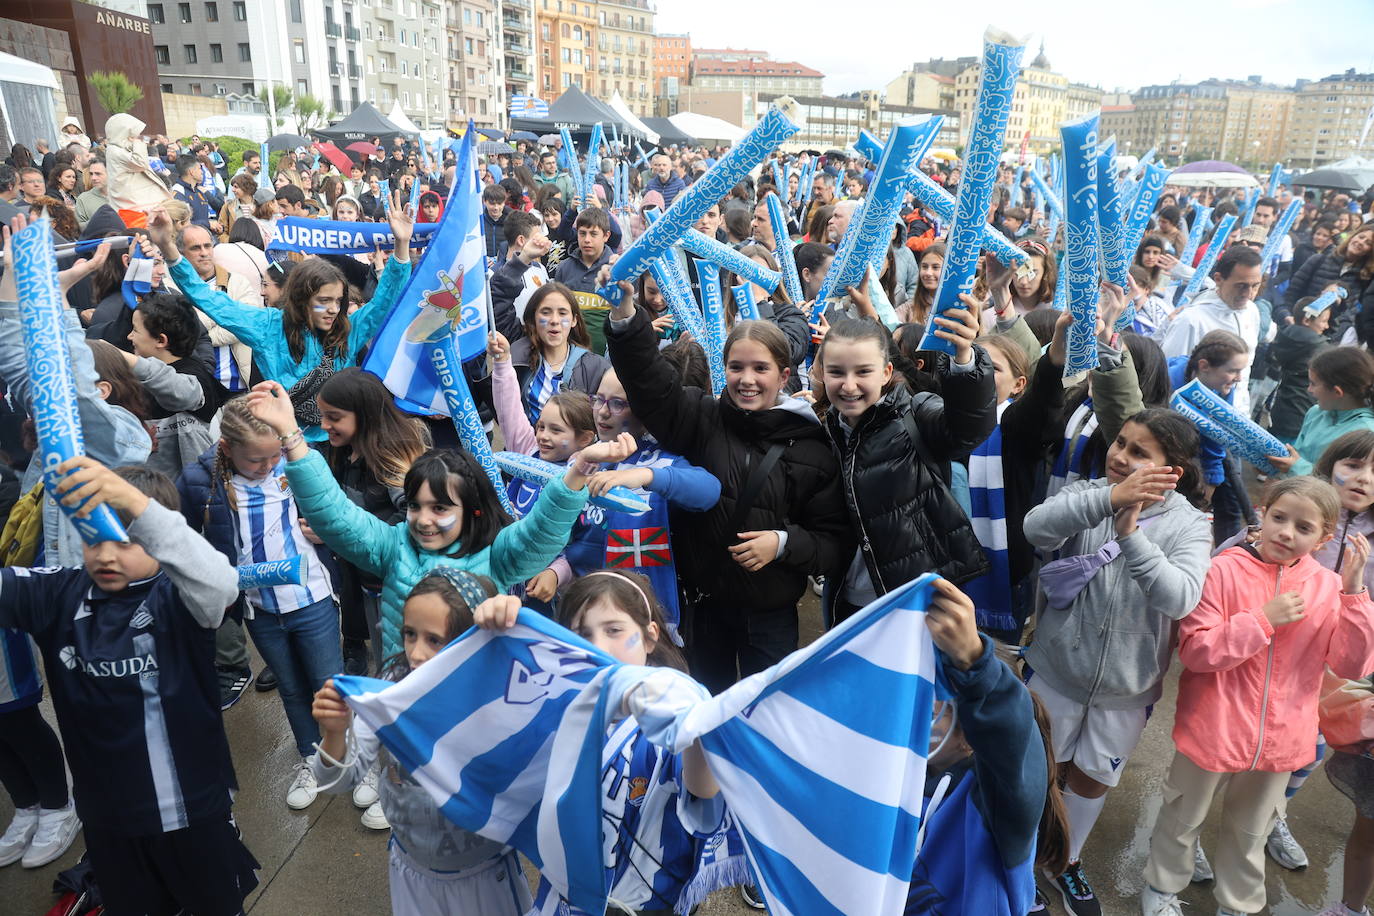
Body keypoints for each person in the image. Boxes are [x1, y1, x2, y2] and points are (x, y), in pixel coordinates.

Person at [0, 457, 254, 915]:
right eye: (94, 540)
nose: (108, 555)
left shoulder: (180, 597)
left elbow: (223, 584)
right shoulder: (59, 594)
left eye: (130, 541)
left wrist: (137, 504)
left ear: (159, 540)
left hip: (191, 813)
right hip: (107, 820)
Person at [245, 378, 633, 659]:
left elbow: (539, 533)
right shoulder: (392, 547)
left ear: (472, 510)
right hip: (408, 703)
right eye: (415, 506)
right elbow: (335, 515)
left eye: (441, 507)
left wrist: (580, 467)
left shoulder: (497, 556)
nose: (423, 519)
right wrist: (289, 434)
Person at [1141, 476, 1374, 916]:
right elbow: (1195, 651)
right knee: (1182, 815)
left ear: (1325, 537)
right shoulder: (1223, 569)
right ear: (1261, 513)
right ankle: (1161, 887)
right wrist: (1262, 620)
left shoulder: (1328, 587)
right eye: (1280, 517)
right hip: (1213, 726)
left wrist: (1355, 592)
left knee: (1252, 829)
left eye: (1304, 528)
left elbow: (1352, 665)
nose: (1287, 532)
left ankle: (1239, 903)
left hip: (1284, 737)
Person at [604, 286, 853, 694]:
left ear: (784, 375)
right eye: (737, 367)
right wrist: (626, 316)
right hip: (704, 610)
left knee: (764, 717)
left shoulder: (812, 447)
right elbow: (650, 384)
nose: (747, 379)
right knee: (703, 711)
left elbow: (833, 542)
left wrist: (783, 543)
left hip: (770, 617)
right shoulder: (701, 419)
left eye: (761, 368)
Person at [1023, 409, 1212, 916]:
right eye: (1120, 442)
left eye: (1138, 451)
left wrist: (1131, 536)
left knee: (1093, 778)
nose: (1120, 455)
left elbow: (1180, 598)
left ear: (1172, 470)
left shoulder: (1191, 526)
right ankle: (1023, 863)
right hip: (1056, 671)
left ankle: (1066, 861)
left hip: (1127, 689)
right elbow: (1035, 529)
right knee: (1043, 769)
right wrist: (1108, 501)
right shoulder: (1083, 495)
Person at [472, 571, 724, 915]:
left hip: (649, 905)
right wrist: (500, 634)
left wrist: (698, 730)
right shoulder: (554, 710)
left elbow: (703, 793)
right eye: (582, 635)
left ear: (649, 638)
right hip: (569, 900)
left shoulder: (674, 714)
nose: (598, 647)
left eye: (614, 630)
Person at [309, 569, 534, 912]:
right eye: (410, 634)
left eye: (435, 639)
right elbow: (339, 780)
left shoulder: (499, 698)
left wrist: (516, 627)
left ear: (472, 642)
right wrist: (335, 733)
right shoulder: (392, 688)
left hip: (487, 877)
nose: (415, 654)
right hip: (412, 874)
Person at [178, 397, 342, 810]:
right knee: (290, 688)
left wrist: (323, 533)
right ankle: (312, 758)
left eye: (275, 456)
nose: (268, 466)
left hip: (312, 599)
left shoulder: (297, 465)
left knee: (329, 684)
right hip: (259, 610)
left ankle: (348, 754)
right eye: (256, 460)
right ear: (227, 448)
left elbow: (334, 510)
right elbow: (187, 543)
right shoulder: (201, 481)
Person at [149, 203, 414, 440]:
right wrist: (169, 249)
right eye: (324, 300)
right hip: (284, 447)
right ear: (301, 299)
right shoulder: (269, 326)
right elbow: (210, 299)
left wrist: (402, 247)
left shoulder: (348, 330)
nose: (334, 310)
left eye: (338, 301)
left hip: (342, 447)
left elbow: (384, 302)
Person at [812, 310, 995, 625]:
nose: (849, 385)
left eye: (863, 371)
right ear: (822, 374)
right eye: (837, 372)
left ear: (886, 373)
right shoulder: (824, 432)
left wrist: (964, 360)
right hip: (846, 600)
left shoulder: (917, 412)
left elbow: (968, 428)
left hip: (914, 603)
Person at [1160, 246, 1270, 418]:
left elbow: (1244, 375)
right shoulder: (1191, 320)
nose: (1249, 294)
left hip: (1237, 416)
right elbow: (1166, 379)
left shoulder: (1252, 312)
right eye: (1241, 286)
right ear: (1218, 279)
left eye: (1255, 286)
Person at [127, 291, 228, 475]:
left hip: (181, 497)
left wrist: (120, 358)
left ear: (160, 340)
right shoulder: (141, 378)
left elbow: (178, 391)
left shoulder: (194, 379)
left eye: (135, 330)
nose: (129, 337)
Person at [1167, 330, 1254, 542]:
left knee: (1230, 501)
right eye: (1233, 371)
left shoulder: (1223, 388)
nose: (1239, 378)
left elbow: (1216, 438)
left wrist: (1208, 489)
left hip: (1200, 451)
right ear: (1204, 366)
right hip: (1165, 451)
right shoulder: (1169, 380)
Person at [508, 282, 610, 425]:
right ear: (534, 318)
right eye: (546, 312)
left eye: (562, 313)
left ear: (574, 320)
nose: (554, 320)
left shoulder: (596, 367)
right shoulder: (518, 357)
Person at [1270, 346, 1374, 478]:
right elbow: (1298, 452)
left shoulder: (1365, 432)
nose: (1309, 389)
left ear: (1337, 392)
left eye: (1313, 384)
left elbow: (1345, 484)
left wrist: (1296, 467)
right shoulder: (1315, 412)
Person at [1267, 296, 1333, 442]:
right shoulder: (1321, 350)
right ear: (1307, 320)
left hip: (1279, 410)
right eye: (1323, 321)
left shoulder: (1282, 337)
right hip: (1303, 415)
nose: (1327, 326)